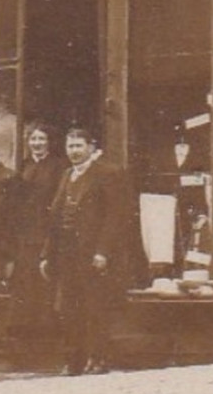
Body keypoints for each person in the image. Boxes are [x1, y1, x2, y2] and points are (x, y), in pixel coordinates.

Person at [38, 126, 140, 376]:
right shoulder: (66, 176)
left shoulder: (107, 173)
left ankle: (98, 358)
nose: (74, 151)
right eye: (70, 146)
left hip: (93, 253)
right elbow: (56, 216)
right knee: (68, 307)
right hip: (66, 253)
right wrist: (46, 254)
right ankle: (73, 358)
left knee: (95, 307)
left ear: (91, 148)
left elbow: (116, 217)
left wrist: (103, 251)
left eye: (79, 146)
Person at [14, 124, 67, 335]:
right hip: (26, 232)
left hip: (47, 230)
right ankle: (27, 326)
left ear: (49, 142)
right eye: (33, 139)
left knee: (46, 277)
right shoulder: (23, 166)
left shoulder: (58, 166)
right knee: (26, 278)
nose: (37, 143)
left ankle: (48, 327)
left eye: (41, 139)